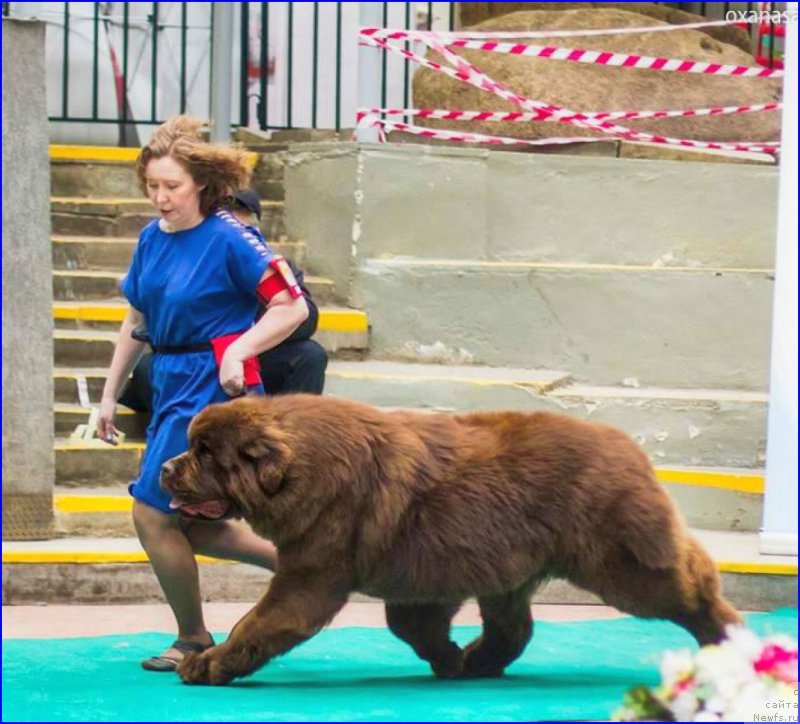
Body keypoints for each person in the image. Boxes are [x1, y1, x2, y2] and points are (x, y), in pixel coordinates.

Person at [97, 116, 310, 672]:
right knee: (186, 520)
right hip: (169, 377)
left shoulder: (231, 237)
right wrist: (107, 395)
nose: (161, 197)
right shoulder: (150, 238)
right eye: (153, 186)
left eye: (173, 186)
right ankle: (297, 563)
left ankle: (192, 637)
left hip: (212, 388)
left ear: (201, 185)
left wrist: (240, 350)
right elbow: (136, 317)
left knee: (151, 512)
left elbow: (293, 306)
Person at [118, 188, 328, 415]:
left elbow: (305, 317)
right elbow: (143, 320)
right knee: (146, 369)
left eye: (244, 228)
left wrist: (248, 330)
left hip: (254, 354)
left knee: (310, 355)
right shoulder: (185, 261)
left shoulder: (267, 263)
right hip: (193, 359)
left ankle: (292, 436)